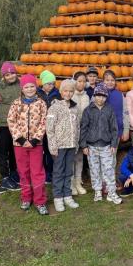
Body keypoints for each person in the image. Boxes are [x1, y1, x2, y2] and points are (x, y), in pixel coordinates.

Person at [7, 74, 48, 215]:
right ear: (22, 88)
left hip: (36, 144)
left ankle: (40, 201)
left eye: (32, 86)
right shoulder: (16, 104)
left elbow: (44, 122)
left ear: (36, 87)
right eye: (26, 87)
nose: (30, 89)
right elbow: (11, 122)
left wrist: (36, 140)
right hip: (20, 145)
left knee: (37, 172)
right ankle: (26, 197)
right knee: (23, 172)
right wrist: (21, 140)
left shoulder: (41, 103)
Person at [80, 83, 122, 205]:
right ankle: (97, 190)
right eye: (98, 96)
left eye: (103, 96)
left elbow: (114, 128)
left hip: (106, 145)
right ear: (94, 96)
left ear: (106, 97)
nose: (101, 99)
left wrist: (114, 144)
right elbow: (84, 128)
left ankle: (111, 192)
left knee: (108, 169)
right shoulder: (88, 110)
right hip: (92, 146)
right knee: (94, 169)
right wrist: (84, 145)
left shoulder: (109, 109)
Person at [46, 79, 80, 212]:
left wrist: (76, 143)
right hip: (59, 145)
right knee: (59, 171)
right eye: (65, 90)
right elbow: (49, 128)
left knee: (68, 171)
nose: (68, 93)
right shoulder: (55, 107)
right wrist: (52, 145)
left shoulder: (75, 107)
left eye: (71, 91)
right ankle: (58, 197)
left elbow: (77, 126)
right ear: (61, 91)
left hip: (71, 145)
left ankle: (67, 195)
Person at [0, 62, 21, 191]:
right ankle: (5, 176)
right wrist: (3, 116)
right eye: (7, 75)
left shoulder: (20, 85)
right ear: (4, 76)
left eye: (12, 73)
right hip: (4, 124)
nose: (10, 76)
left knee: (15, 149)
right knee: (3, 150)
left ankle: (14, 172)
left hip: (18, 123)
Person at [37, 70, 61, 184]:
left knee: (51, 150)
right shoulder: (38, 94)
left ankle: (51, 172)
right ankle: (43, 171)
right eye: (48, 84)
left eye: (53, 84)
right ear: (43, 84)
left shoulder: (57, 94)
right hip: (40, 127)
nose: (51, 86)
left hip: (52, 128)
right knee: (41, 151)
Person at [71, 71, 90, 195]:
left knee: (79, 158)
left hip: (83, 131)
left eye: (84, 81)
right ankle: (71, 183)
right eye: (79, 81)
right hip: (72, 131)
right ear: (75, 81)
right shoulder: (70, 95)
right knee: (71, 158)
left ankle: (78, 181)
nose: (81, 83)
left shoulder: (87, 96)